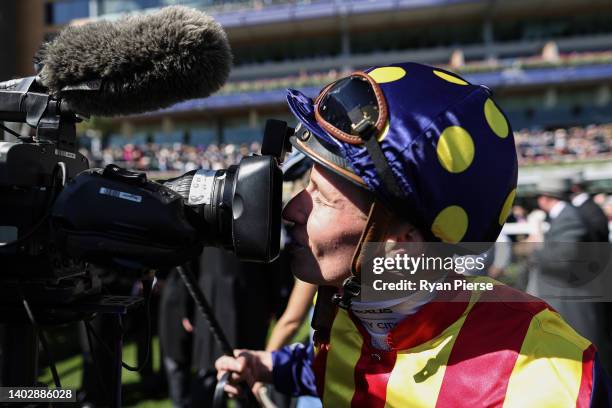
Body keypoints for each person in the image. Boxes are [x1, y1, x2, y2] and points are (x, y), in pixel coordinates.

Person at [215, 62, 611, 406]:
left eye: (322, 198)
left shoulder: (551, 380)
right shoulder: (356, 308)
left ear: (402, 240)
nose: (290, 210)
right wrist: (267, 365)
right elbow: (341, 361)